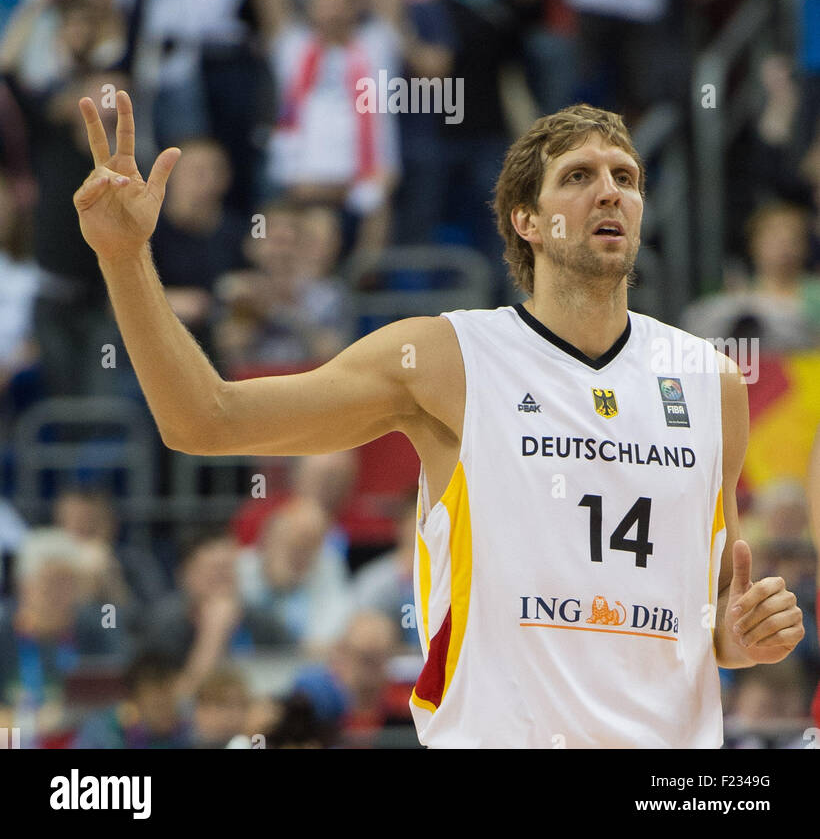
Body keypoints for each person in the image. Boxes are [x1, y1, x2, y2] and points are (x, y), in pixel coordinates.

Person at [72, 91, 806, 749]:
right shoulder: (444, 358)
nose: (609, 191)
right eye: (579, 177)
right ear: (527, 221)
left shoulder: (710, 382)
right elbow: (205, 419)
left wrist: (739, 637)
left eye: (626, 177)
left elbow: (706, 615)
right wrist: (125, 256)